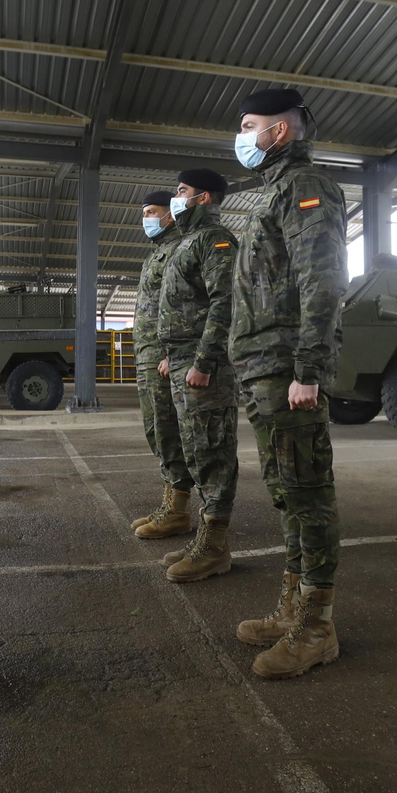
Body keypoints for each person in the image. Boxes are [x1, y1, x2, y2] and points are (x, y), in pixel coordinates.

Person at [226, 89, 349, 681]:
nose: (243, 137)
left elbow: (323, 279)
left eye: (251, 126)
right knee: (287, 492)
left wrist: (309, 368)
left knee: (308, 492)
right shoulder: (272, 193)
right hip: (262, 367)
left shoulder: (309, 187)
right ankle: (294, 606)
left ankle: (317, 626)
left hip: (286, 368)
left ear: (282, 130)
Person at [150, 170, 240, 584]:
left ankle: (215, 547)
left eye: (182, 191)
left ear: (203, 197)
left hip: (204, 365)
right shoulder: (186, 240)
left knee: (212, 451)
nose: (175, 198)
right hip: (183, 359)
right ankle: (204, 536)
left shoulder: (215, 239)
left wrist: (204, 362)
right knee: (194, 450)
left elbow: (226, 301)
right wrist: (174, 355)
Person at [129, 189, 197, 540]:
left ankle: (178, 510)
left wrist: (175, 352)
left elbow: (183, 306)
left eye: (152, 211)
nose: (147, 218)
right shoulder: (158, 252)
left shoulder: (178, 249)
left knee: (169, 431)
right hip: (147, 356)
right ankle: (171, 501)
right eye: (144, 212)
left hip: (163, 358)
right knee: (155, 430)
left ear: (169, 215)